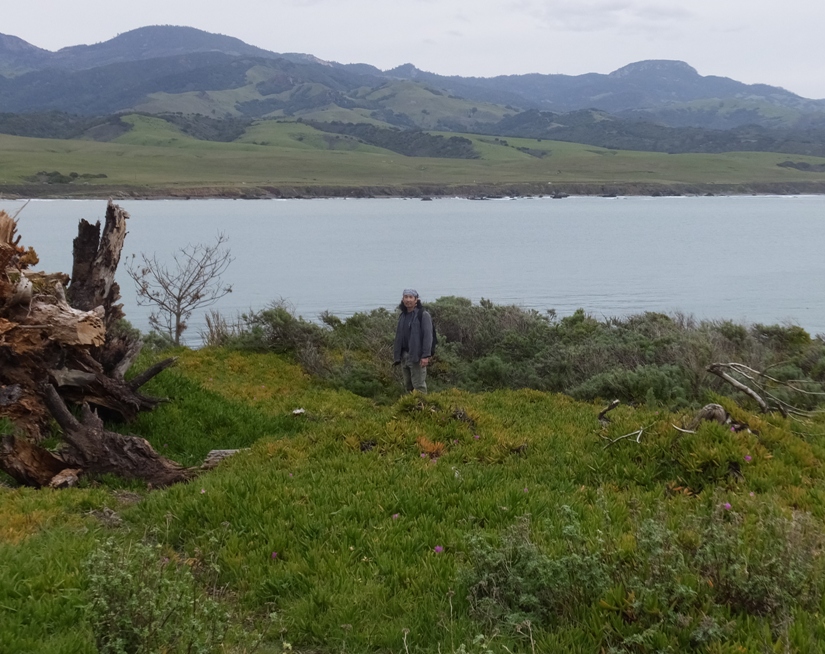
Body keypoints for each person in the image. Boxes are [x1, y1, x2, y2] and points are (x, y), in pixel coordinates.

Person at [393, 289, 433, 394]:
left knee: (419, 386)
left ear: (416, 300)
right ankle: (411, 409)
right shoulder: (402, 315)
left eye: (411, 297)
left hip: (417, 356)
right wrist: (398, 355)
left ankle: (423, 408)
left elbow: (428, 336)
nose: (408, 300)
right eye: (405, 297)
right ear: (402, 299)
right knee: (408, 386)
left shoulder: (423, 315)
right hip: (404, 356)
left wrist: (425, 356)